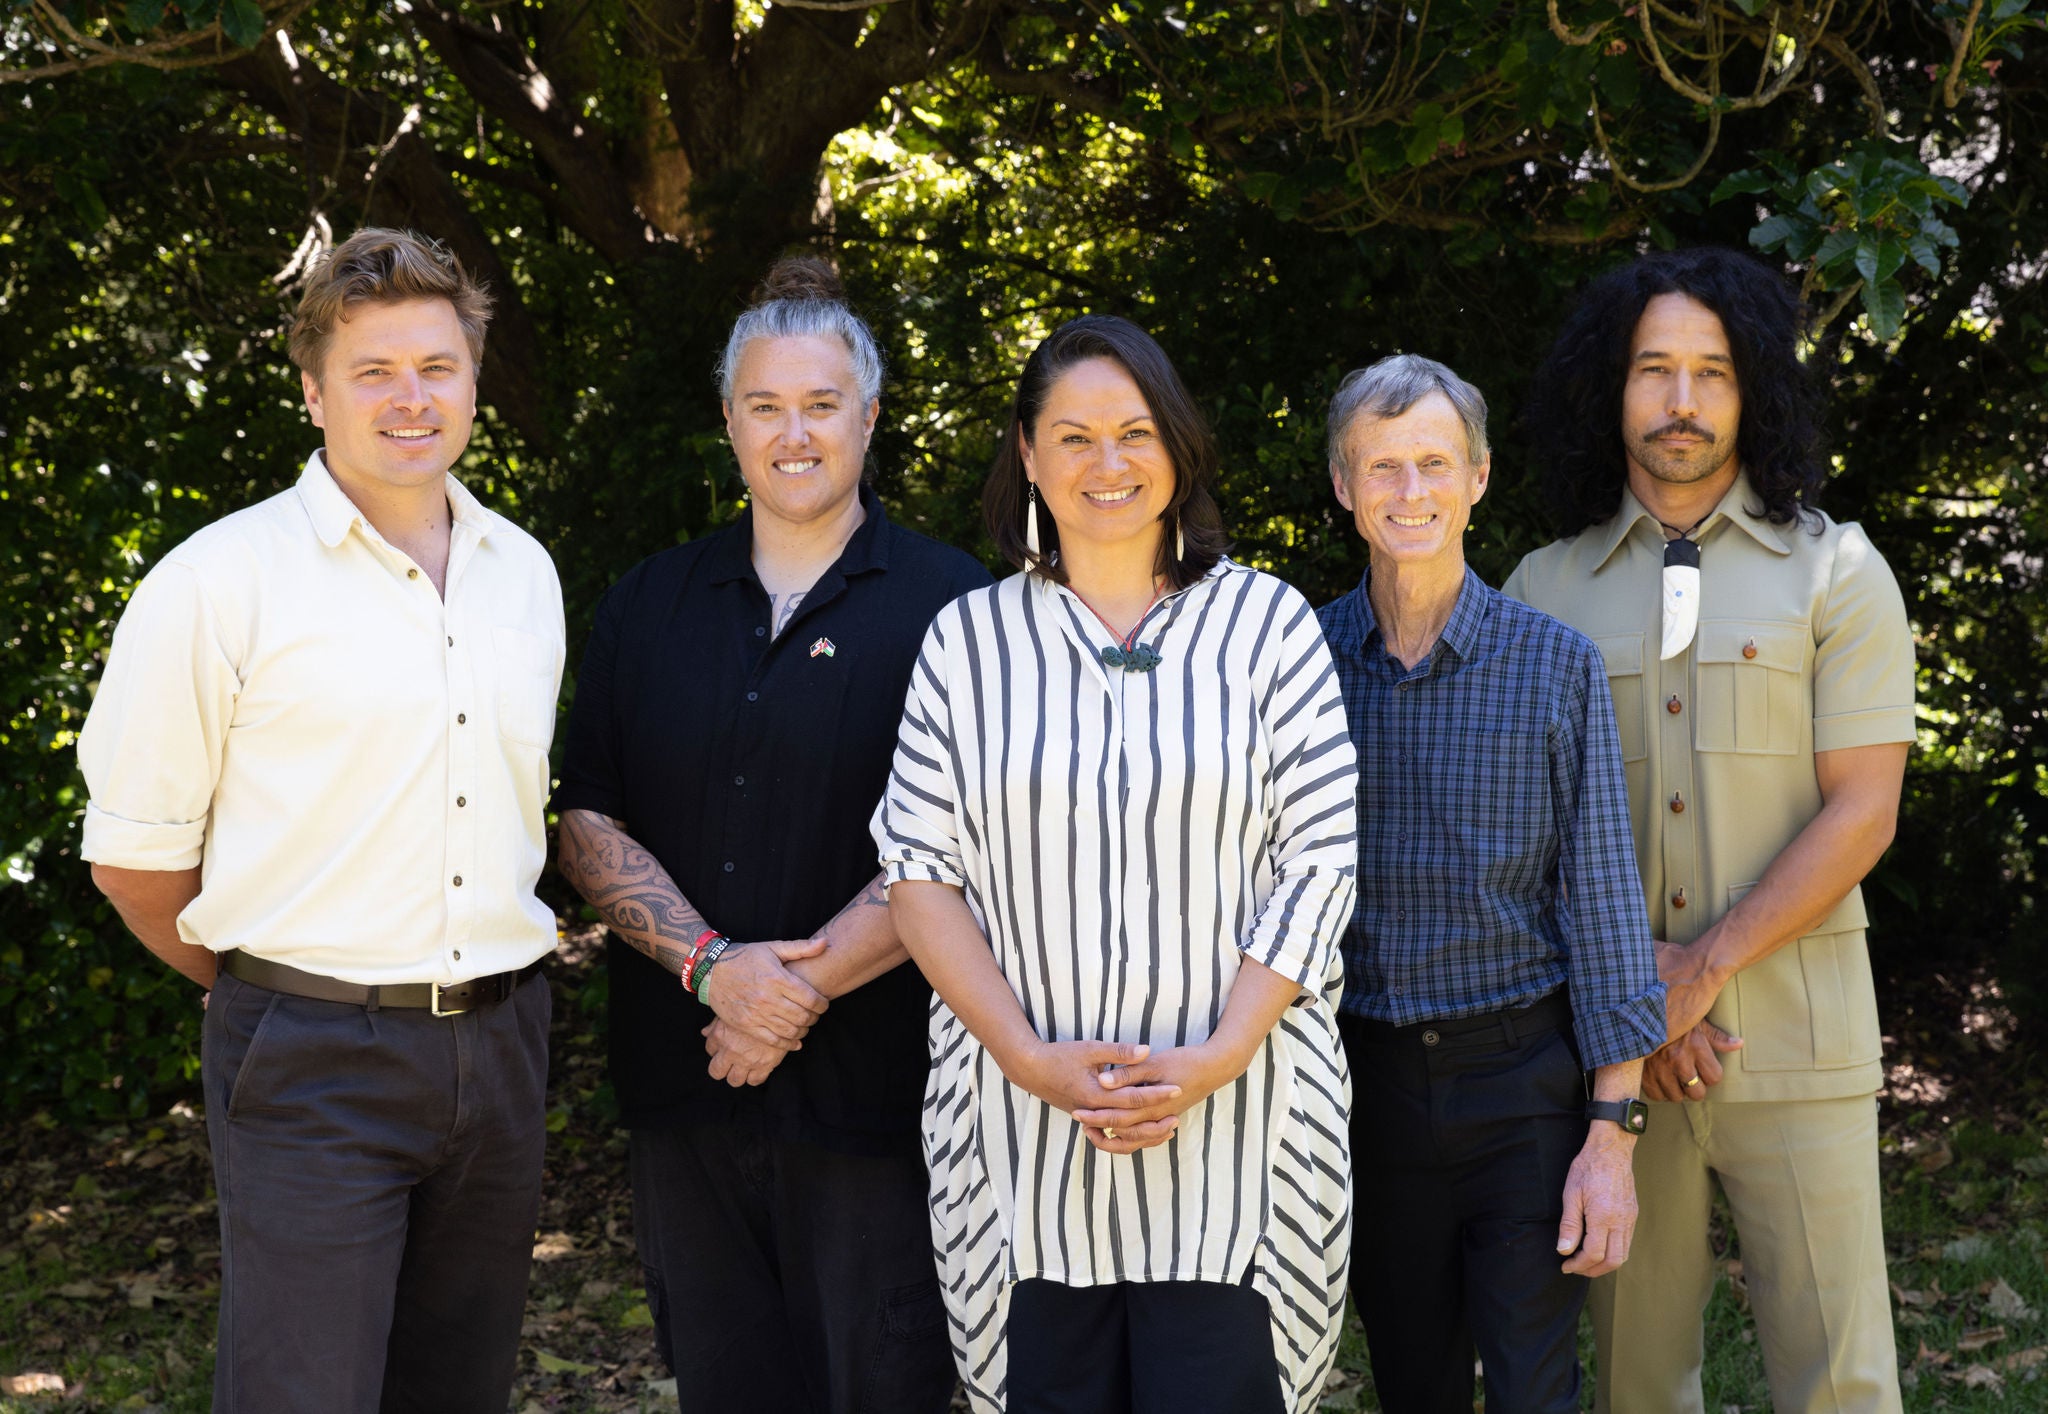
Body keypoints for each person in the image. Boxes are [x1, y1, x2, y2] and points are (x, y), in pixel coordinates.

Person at [77, 227, 563, 1413]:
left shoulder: (525, 573)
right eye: (373, 371)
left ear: (473, 380)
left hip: (500, 1053)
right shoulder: (217, 582)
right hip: (309, 1058)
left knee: (456, 1389)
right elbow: (134, 863)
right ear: (313, 391)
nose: (411, 399)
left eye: (436, 368)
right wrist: (275, 991)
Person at [872, 314, 1358, 1414]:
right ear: (1028, 455)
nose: (1107, 463)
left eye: (1134, 432)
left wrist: (1218, 1053)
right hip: (1021, 1133)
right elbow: (916, 873)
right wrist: (1031, 1059)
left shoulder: (1268, 626)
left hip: (1239, 1134)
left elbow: (1320, 860)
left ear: (1177, 448)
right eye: (1074, 436)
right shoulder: (965, 642)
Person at [552, 257, 991, 1414]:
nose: (792, 433)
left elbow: (967, 841)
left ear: (869, 416)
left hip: (877, 1103)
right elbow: (584, 815)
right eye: (764, 406)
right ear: (729, 422)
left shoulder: (958, 606)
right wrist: (711, 970)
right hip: (682, 1093)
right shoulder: (647, 602)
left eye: (819, 404)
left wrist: (784, 996)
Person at [1505, 246, 1914, 1413]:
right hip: (1616, 1070)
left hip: (1799, 1047)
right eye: (1652, 372)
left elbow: (1862, 809)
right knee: (1637, 1383)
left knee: (1837, 1377)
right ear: (1609, 389)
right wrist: (1644, 1003)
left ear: (1753, 392)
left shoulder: (1834, 571)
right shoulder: (1541, 591)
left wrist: (1700, 969)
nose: (1680, 402)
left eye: (1711, 372)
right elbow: (1527, 842)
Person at [1314, 353, 1665, 1412]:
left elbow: (1600, 898)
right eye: (1381, 467)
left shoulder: (1552, 663)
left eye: (1432, 463)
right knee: (1413, 1385)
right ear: (1342, 486)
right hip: (1362, 1084)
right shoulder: (1298, 659)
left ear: (1476, 477)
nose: (1407, 492)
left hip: (1520, 1087)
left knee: (1530, 1390)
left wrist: (1612, 1132)